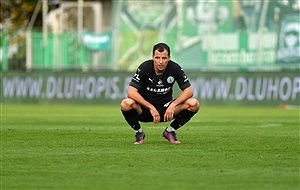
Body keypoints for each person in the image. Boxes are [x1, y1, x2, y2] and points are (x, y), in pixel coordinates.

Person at [120, 43, 200, 144]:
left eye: (164, 58)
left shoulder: (174, 68)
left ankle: (170, 131)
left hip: (166, 110)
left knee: (194, 104)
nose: (161, 62)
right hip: (145, 110)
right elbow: (131, 92)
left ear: (169, 58)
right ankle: (139, 132)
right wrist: (151, 107)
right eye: (157, 58)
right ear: (153, 57)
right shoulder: (145, 67)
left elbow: (189, 91)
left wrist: (173, 105)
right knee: (126, 103)